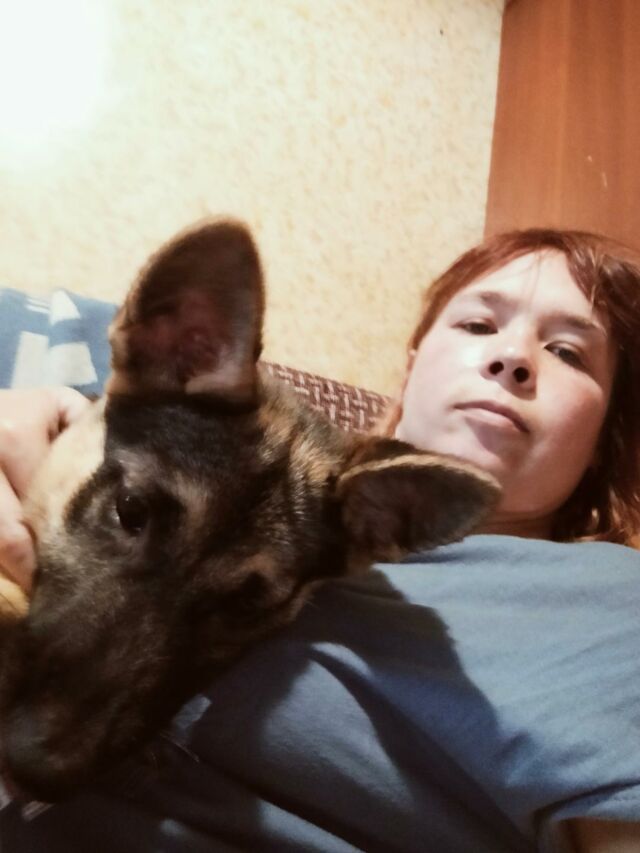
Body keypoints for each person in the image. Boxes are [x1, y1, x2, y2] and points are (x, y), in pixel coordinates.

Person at [0, 228, 639, 852]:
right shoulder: (165, 426)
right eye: (478, 324)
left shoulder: (609, 602)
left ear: (605, 436)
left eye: (567, 352)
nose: (514, 357)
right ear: (412, 364)